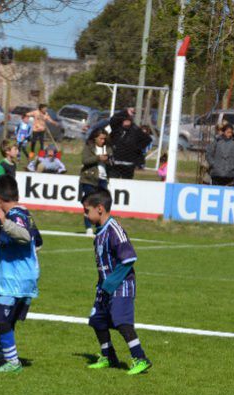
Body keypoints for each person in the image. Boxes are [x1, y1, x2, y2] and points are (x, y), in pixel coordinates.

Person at [82, 189, 152, 375]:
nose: (85, 214)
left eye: (87, 210)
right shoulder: (99, 232)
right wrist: (102, 285)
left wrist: (109, 284)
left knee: (122, 321)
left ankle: (140, 358)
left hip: (121, 285)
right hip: (104, 286)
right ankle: (109, 357)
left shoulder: (115, 230)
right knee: (97, 320)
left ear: (100, 209)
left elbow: (129, 259)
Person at [0, 174, 42, 374]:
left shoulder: (15, 215)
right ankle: (1, 356)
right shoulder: (25, 213)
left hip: (15, 280)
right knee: (8, 320)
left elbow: (25, 237)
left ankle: (13, 362)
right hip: (24, 278)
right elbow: (38, 242)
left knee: (0, 318)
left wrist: (4, 223)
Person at [80, 128, 110, 235]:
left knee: (102, 205)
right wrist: (98, 158)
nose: (103, 141)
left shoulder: (108, 148)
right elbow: (85, 160)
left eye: (104, 139)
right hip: (89, 179)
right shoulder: (89, 147)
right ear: (95, 138)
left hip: (103, 179)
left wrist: (108, 160)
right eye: (101, 139)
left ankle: (100, 227)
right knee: (89, 203)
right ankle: (88, 227)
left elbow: (112, 161)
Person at [105, 111, 151, 180]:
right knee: (112, 181)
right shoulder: (116, 129)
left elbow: (147, 139)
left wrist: (136, 148)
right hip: (115, 162)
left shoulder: (135, 131)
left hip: (128, 163)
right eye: (125, 120)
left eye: (128, 120)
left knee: (126, 182)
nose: (126, 122)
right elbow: (113, 119)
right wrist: (125, 111)